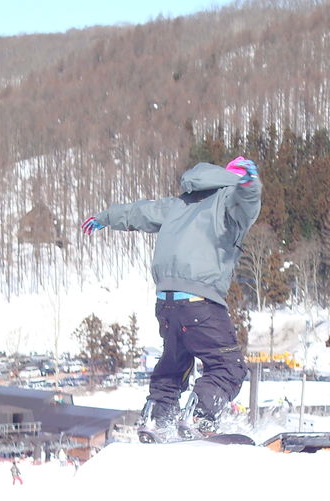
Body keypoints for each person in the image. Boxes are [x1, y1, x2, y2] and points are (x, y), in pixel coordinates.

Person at [82, 155, 262, 436]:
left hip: (167, 302)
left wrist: (105, 218)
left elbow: (141, 212)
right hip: (201, 301)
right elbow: (246, 202)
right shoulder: (229, 198)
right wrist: (250, 185)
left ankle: (156, 418)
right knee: (229, 366)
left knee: (174, 364)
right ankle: (200, 416)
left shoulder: (180, 203)